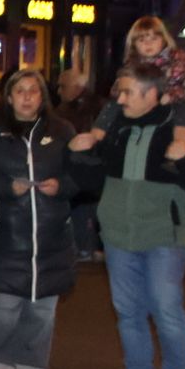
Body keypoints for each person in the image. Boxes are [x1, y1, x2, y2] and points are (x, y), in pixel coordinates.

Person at [70, 63, 185, 369]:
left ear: (152, 93)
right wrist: (75, 154)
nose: (119, 100)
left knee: (166, 309)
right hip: (119, 234)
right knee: (128, 312)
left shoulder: (181, 132)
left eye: (127, 92)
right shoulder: (116, 129)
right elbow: (91, 182)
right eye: (119, 92)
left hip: (165, 236)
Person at [0, 69, 76, 369]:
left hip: (51, 236)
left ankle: (30, 368)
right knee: (2, 305)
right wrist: (7, 187)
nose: (27, 97)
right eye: (20, 91)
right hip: (5, 234)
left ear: (43, 96)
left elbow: (82, 174)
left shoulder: (62, 131)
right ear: (9, 98)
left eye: (33, 91)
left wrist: (62, 186)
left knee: (41, 309)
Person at [86, 17, 185, 159]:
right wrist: (122, 93)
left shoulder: (178, 61)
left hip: (171, 101)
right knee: (112, 106)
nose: (148, 44)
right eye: (141, 40)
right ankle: (94, 139)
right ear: (134, 44)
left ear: (163, 40)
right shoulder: (132, 64)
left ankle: (179, 144)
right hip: (141, 102)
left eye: (154, 39)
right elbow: (117, 89)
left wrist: (172, 95)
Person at [54, 68, 105, 263]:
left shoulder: (92, 109)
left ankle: (87, 247)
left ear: (76, 88)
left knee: (85, 208)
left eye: (63, 86)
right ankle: (85, 246)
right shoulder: (65, 110)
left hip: (86, 165)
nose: (59, 91)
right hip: (77, 165)